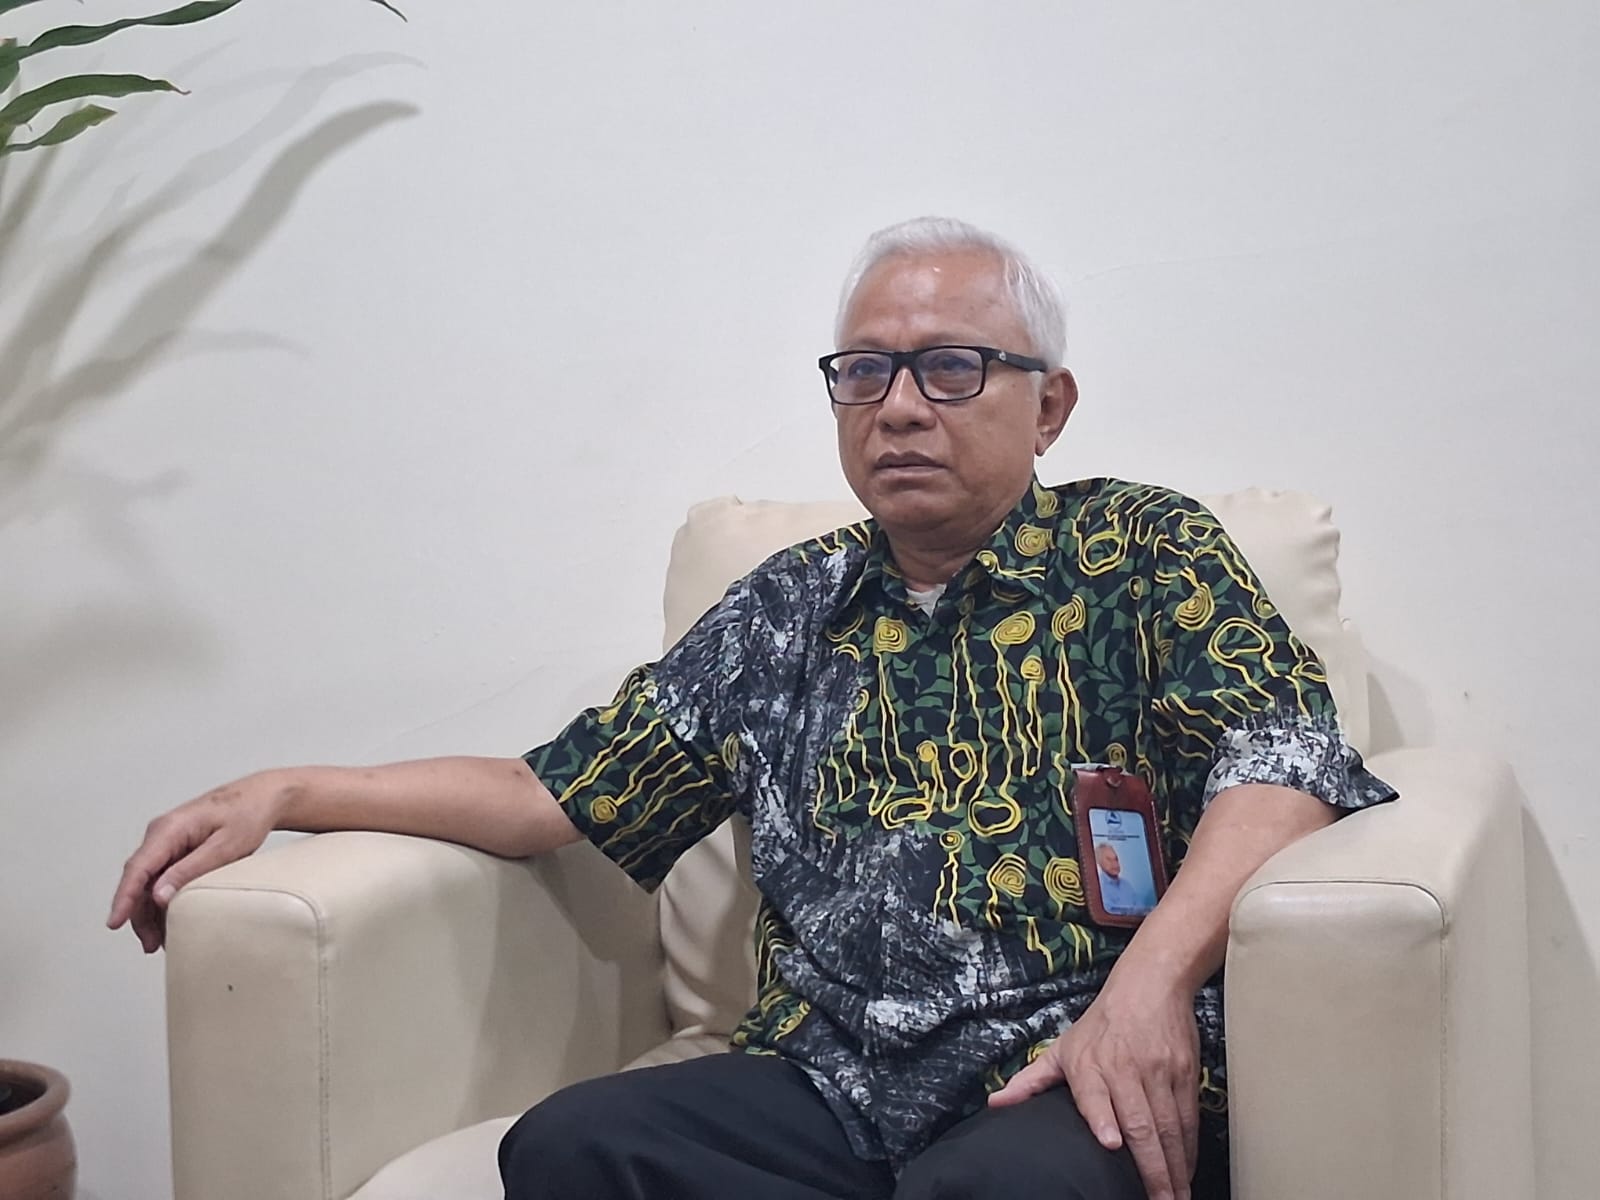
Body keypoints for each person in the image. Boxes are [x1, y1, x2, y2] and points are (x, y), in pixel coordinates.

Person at [109, 216, 1396, 1200]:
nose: (899, 407)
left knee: (994, 1193)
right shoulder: (786, 605)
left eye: (951, 369)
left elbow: (1285, 760)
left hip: (1067, 1065)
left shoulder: (1143, 548)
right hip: (829, 1083)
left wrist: (1149, 987)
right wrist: (284, 791)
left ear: (1047, 404)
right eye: (865, 372)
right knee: (570, 1148)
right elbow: (549, 793)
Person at [1095, 841, 1156, 917]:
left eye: (1116, 859)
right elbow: (1112, 913)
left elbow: (1141, 908)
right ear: (1099, 862)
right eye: (1109, 860)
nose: (1115, 864)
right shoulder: (1099, 886)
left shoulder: (1126, 884)